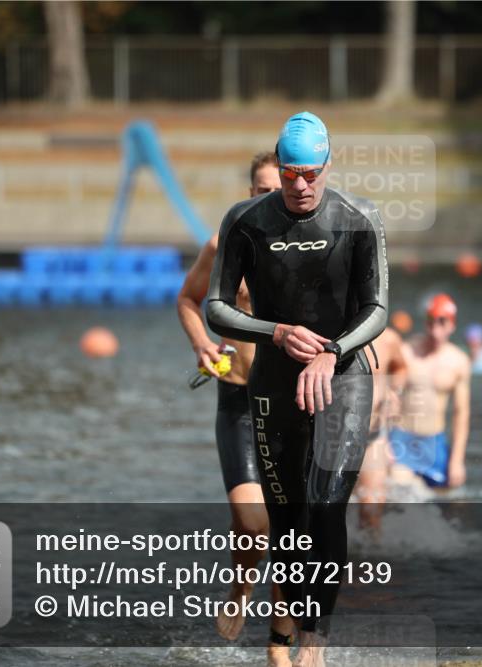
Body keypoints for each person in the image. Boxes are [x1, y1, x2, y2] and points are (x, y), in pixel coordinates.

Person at [206, 111, 388, 667]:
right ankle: (280, 642)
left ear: (328, 166)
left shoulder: (358, 219)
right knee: (286, 520)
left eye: (311, 173)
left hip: (345, 377)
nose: (301, 186)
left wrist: (331, 353)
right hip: (274, 383)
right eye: (290, 174)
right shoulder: (245, 221)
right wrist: (276, 332)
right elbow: (215, 308)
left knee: (327, 506)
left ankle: (315, 638)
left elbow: (377, 309)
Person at [176, 151, 295, 666]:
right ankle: (242, 587)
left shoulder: (306, 249)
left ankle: (279, 647)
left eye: (277, 189)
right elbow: (187, 298)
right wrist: (202, 343)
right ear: (249, 193)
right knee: (252, 523)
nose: (267, 198)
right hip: (239, 403)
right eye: (259, 190)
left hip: (292, 405)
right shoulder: (222, 244)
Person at [390, 294, 471, 489]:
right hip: (403, 438)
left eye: (442, 323)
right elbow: (388, 397)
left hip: (435, 442)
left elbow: (461, 413)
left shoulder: (459, 362)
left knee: (448, 497)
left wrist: (457, 460)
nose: (435, 331)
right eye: (431, 323)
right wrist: (383, 441)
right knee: (402, 489)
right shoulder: (407, 351)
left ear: (452, 325)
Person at [353, 326, 407, 528]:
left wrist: (395, 392)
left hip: (372, 437)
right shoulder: (328, 332)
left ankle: (370, 558)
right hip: (330, 437)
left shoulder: (389, 338)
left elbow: (401, 367)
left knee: (371, 512)